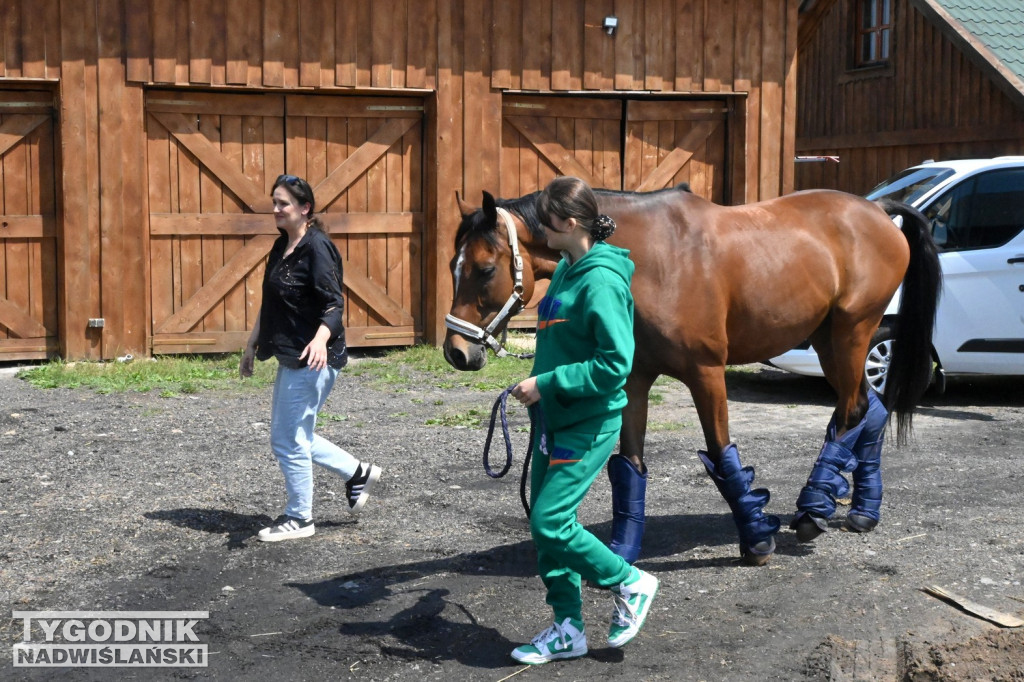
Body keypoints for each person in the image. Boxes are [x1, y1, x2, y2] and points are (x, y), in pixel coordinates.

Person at [507, 176, 658, 664]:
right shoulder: (570, 268)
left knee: (551, 523)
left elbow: (616, 363)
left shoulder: (602, 280)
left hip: (587, 421)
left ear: (568, 223)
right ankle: (567, 628)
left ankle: (630, 583)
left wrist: (547, 384)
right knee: (546, 524)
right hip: (554, 418)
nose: (538, 228)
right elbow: (565, 340)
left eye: (544, 219)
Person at [240, 174, 381, 542]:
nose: (275, 209)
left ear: (305, 209)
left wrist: (320, 340)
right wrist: (251, 343)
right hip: (292, 355)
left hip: (314, 357)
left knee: (287, 439)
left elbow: (334, 304)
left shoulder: (318, 248)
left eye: (283, 203)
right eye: (274, 202)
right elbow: (271, 303)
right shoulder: (281, 246)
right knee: (294, 434)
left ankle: (300, 518)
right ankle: (357, 472)